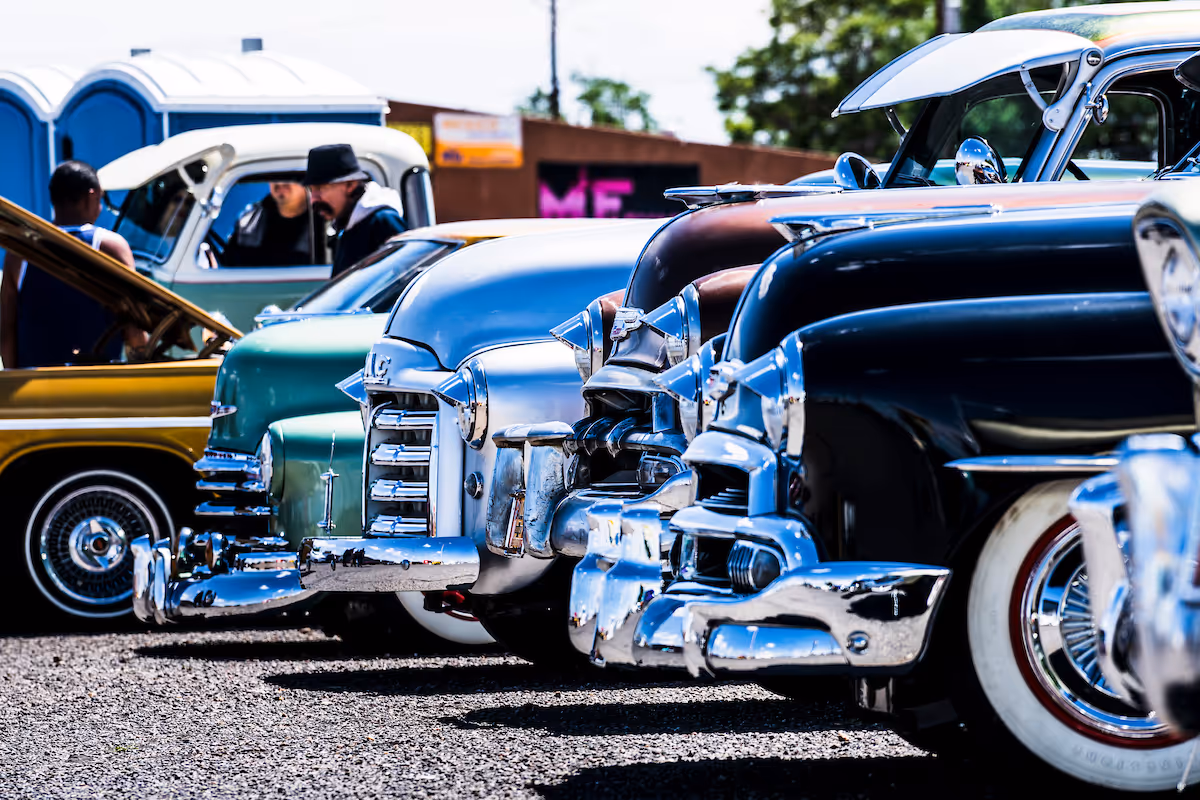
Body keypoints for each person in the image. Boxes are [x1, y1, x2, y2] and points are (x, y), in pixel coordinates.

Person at [0, 161, 147, 368]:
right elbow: (134, 325)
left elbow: (7, 327)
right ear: (91, 195)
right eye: (100, 200)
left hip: (36, 386)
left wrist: (13, 379)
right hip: (97, 383)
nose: (101, 208)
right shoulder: (110, 247)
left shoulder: (20, 252)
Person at [303, 144, 406, 277]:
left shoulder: (382, 222)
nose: (314, 199)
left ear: (350, 185)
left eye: (321, 189)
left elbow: (403, 278)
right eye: (311, 190)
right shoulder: (347, 224)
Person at [222, 181, 325, 267]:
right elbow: (228, 266)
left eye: (287, 175)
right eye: (275, 177)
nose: (280, 182)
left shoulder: (325, 223)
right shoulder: (250, 221)